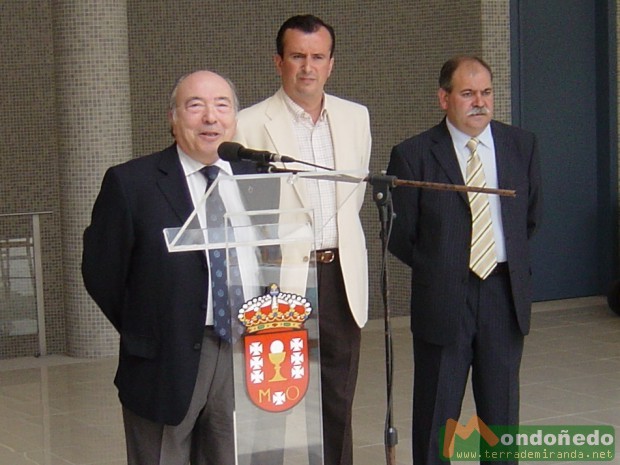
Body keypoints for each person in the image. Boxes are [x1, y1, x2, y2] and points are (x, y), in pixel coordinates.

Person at [82, 70, 256, 465]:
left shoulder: (254, 178)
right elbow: (101, 272)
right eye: (195, 106)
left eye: (222, 105)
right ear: (173, 118)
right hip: (165, 355)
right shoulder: (132, 183)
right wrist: (148, 326)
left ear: (234, 117)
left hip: (241, 351)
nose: (211, 117)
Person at [386, 56, 542, 465]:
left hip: (503, 293)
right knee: (438, 415)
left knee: (501, 416)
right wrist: (442, 267)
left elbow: (529, 217)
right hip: (443, 297)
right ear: (444, 98)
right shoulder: (413, 154)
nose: (480, 102)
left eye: (486, 92)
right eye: (468, 93)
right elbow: (400, 235)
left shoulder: (520, 145)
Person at [234, 14, 371, 465]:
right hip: (279, 282)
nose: (307, 67)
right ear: (279, 62)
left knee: (337, 400)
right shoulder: (249, 123)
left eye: (317, 57)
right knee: (273, 401)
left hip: (340, 276)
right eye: (297, 56)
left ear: (332, 64)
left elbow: (354, 198)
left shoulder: (356, 117)